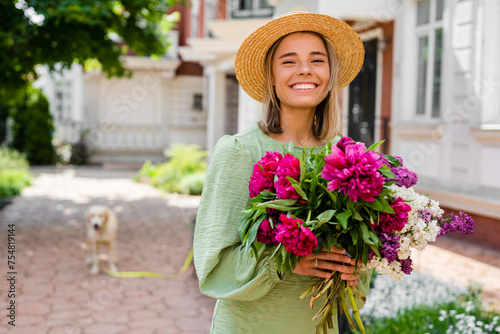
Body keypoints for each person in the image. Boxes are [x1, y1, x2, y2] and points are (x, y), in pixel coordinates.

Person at [194, 11, 372, 334]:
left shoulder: (346, 160)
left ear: (329, 74)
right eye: (289, 61)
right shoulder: (238, 152)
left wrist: (355, 264)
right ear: (271, 77)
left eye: (317, 60)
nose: (305, 69)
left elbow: (356, 291)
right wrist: (287, 261)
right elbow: (213, 268)